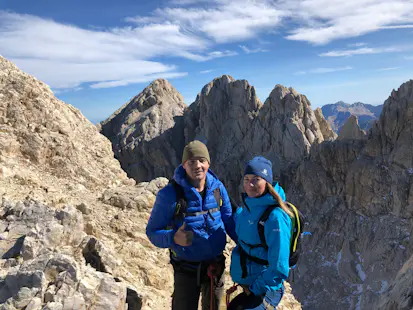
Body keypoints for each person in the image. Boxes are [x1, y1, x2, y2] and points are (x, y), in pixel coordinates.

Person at [146, 140, 237, 310]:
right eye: (191, 161)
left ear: (208, 163)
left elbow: (229, 220)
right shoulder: (170, 194)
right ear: (184, 165)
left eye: (202, 160)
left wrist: (247, 247)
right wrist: (173, 237)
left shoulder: (217, 188)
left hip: (215, 265)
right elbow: (152, 232)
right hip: (186, 268)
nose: (197, 166)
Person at [228, 156, 292, 310]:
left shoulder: (275, 217)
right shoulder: (247, 209)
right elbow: (242, 227)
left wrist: (255, 288)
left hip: (267, 288)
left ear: (267, 182)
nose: (250, 184)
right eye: (246, 179)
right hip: (251, 284)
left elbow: (279, 267)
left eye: (256, 179)